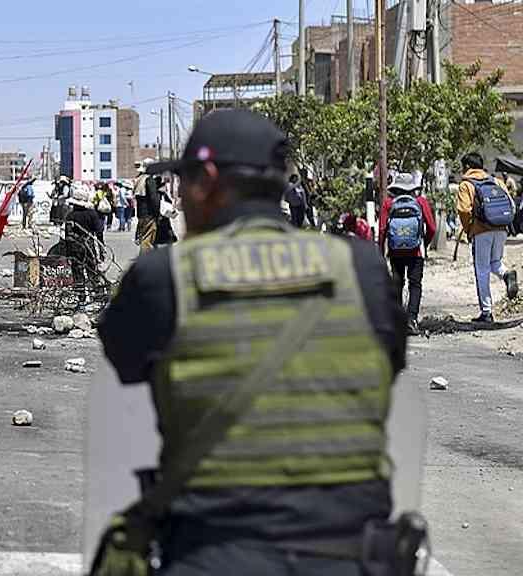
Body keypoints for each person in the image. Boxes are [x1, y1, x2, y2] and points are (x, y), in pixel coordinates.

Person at [95, 109, 410, 576]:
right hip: (353, 556)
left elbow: (124, 360)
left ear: (207, 180)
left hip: (214, 553)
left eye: (182, 182)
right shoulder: (360, 268)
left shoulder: (165, 276)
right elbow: (392, 361)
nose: (179, 198)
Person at [457, 152, 519, 323]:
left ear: (467, 166)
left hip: (481, 231)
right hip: (501, 228)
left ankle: (486, 312)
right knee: (495, 262)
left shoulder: (466, 184)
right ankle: (507, 274)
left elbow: (464, 210)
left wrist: (469, 229)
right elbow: (511, 205)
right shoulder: (496, 181)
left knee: (482, 269)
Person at [378, 171, 437, 336]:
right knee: (415, 284)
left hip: (395, 251)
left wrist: (381, 250)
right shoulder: (420, 202)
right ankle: (412, 320)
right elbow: (432, 228)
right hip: (416, 251)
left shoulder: (388, 203)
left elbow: (382, 230)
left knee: (398, 284)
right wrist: (424, 243)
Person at [65, 187, 105, 290]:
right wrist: (101, 249)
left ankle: (80, 295)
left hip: (75, 248)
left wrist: (68, 252)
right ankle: (97, 294)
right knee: (92, 271)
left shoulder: (70, 216)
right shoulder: (92, 214)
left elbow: (67, 235)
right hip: (89, 246)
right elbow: (99, 232)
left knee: (77, 273)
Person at [134, 158, 161, 253]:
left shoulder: (139, 179)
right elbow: (154, 198)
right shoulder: (149, 180)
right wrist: (157, 213)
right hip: (149, 215)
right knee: (147, 241)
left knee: (145, 239)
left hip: (141, 214)